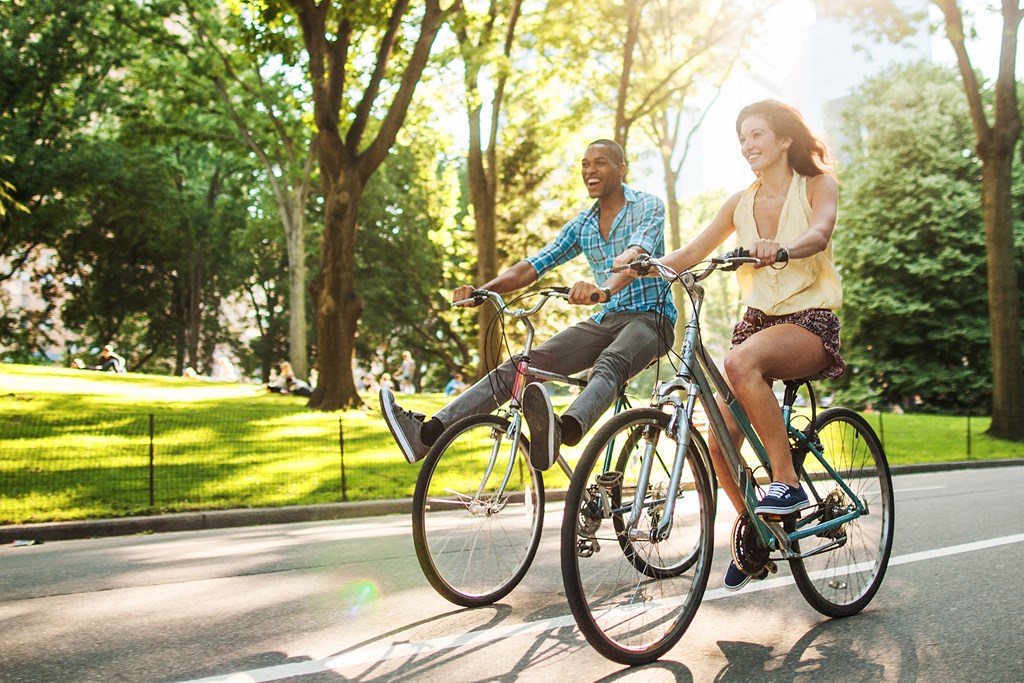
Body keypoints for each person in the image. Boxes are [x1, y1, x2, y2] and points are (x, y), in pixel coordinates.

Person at [625, 100, 843, 592]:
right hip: (758, 324)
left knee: (739, 360)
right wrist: (631, 270)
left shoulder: (816, 185)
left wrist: (782, 249)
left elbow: (820, 230)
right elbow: (688, 254)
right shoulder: (739, 202)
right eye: (742, 138)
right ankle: (758, 535)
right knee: (719, 439)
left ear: (785, 139)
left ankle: (784, 482)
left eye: (757, 134)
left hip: (809, 321)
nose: (748, 145)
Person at [379, 138, 677, 471]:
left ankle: (564, 429)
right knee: (523, 366)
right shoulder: (584, 224)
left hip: (652, 320)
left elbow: (635, 254)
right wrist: (483, 290)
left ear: (621, 169)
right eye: (585, 163)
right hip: (604, 319)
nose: (590, 170)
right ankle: (427, 433)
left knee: (609, 362)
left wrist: (602, 290)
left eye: (601, 162)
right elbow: (534, 265)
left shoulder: (647, 206)